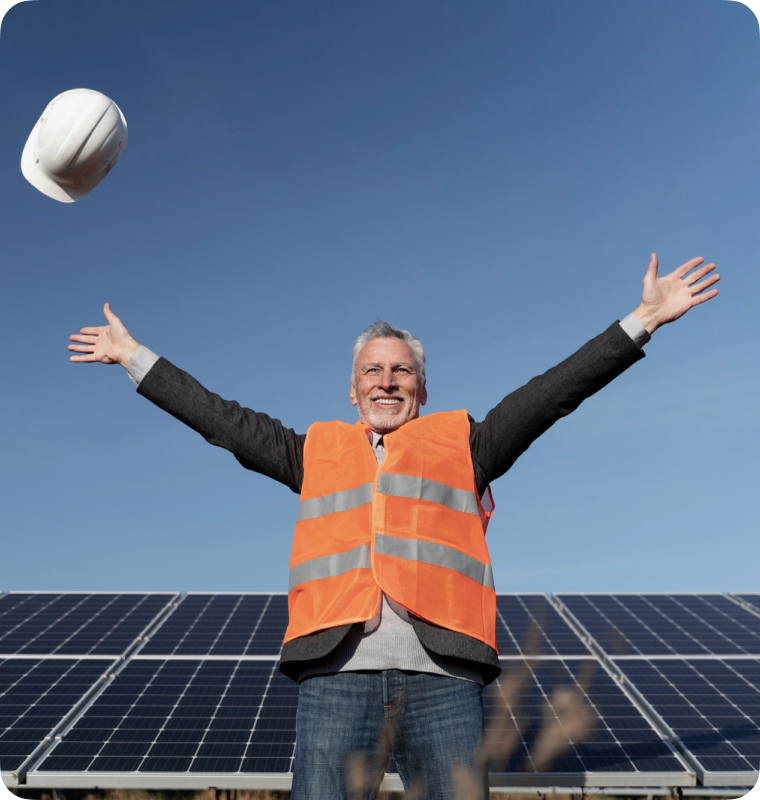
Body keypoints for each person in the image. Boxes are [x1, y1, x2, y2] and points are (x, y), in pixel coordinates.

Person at [69, 254, 719, 800]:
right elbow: (220, 420)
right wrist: (133, 356)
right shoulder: (312, 453)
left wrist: (642, 321)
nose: (387, 381)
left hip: (445, 682)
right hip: (335, 678)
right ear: (352, 391)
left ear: (422, 390)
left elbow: (552, 394)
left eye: (402, 370)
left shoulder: (467, 445)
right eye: (372, 372)